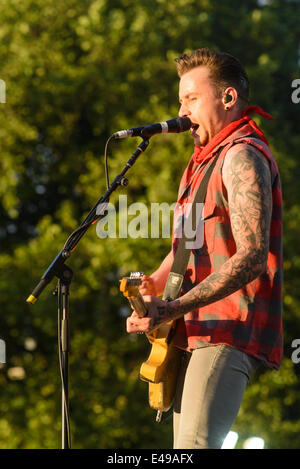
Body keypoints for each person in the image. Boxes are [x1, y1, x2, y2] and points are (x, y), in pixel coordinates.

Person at [126, 48, 283, 449]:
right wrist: (154, 289)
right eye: (181, 100)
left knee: (194, 447)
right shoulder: (201, 164)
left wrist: (174, 307)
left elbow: (251, 257)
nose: (181, 110)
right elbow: (185, 248)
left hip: (226, 330)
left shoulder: (243, 156)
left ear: (227, 99)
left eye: (191, 99)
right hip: (192, 331)